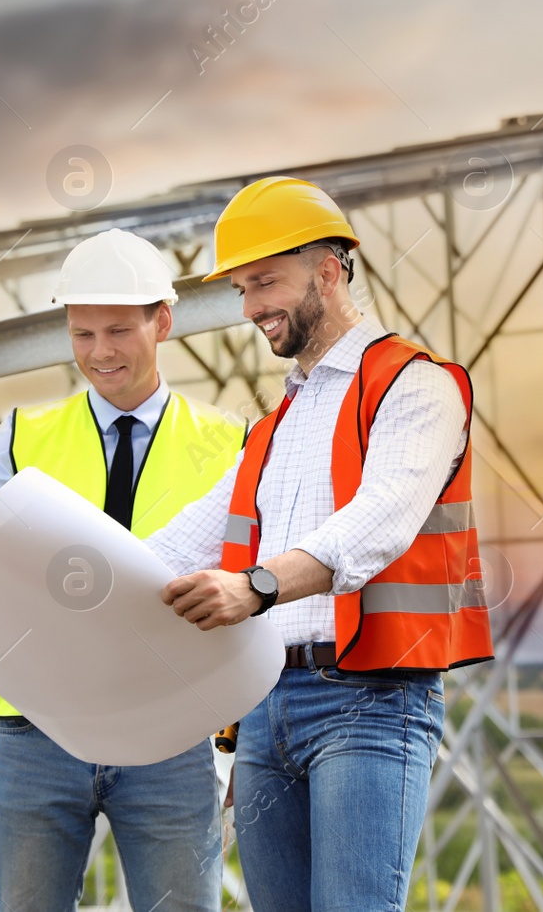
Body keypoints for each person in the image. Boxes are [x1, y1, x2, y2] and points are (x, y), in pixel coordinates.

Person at [0, 228, 246, 912]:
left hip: (171, 732)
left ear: (164, 320)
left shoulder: (233, 441)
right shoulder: (22, 434)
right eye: (82, 332)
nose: (100, 352)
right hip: (38, 730)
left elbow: (253, 588)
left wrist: (242, 735)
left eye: (119, 330)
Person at [147, 177, 495, 911]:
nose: (249, 308)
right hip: (267, 707)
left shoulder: (416, 386)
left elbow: (380, 521)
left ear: (329, 270)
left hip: (371, 699)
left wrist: (255, 586)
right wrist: (28, 598)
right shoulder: (276, 427)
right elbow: (175, 545)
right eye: (241, 289)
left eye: (264, 282)